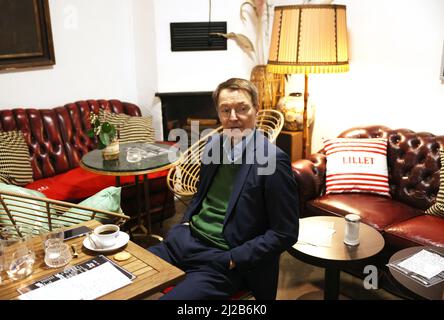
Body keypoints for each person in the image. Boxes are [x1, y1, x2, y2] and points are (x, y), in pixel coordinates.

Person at [149, 78, 299, 300]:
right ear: (219, 114)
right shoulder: (213, 146)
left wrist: (234, 258)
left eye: (242, 109)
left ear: (256, 110)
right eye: (225, 110)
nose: (233, 118)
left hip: (221, 258)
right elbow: (202, 195)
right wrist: (183, 224)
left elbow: (285, 232)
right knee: (125, 274)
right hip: (183, 241)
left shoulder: (272, 161)